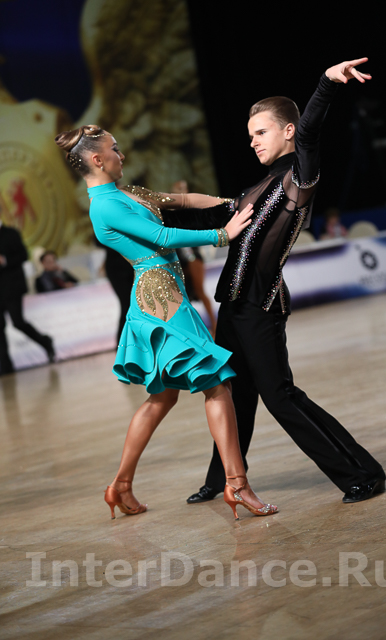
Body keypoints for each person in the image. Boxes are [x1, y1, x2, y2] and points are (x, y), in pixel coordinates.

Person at [152, 58, 386, 505]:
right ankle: (222, 478)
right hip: (234, 306)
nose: (253, 141)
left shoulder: (299, 177)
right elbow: (209, 212)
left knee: (280, 396)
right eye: (250, 135)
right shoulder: (258, 188)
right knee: (233, 393)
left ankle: (362, 473)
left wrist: (326, 83)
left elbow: (311, 132)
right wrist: (144, 204)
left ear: (288, 131)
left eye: (261, 132)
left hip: (261, 304)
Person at [54, 124, 278, 521]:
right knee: (217, 385)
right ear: (97, 159)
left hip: (165, 297)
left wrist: (234, 204)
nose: (122, 154)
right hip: (161, 303)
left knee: (163, 397)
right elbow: (162, 235)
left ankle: (120, 486)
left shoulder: (126, 192)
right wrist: (222, 234)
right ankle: (237, 484)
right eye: (115, 149)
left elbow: (184, 200)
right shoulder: (104, 206)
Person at [0, 218, 55, 375]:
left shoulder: (11, 233)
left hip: (12, 287)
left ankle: (45, 341)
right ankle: (5, 366)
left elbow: (23, 255)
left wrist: (5, 260)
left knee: (18, 321)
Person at [171, 180, 218, 334]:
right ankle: (192, 330)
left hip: (192, 255)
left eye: (183, 188)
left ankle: (215, 326)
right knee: (183, 295)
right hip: (179, 257)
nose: (181, 191)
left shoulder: (192, 209)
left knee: (199, 290)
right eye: (178, 188)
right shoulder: (170, 211)